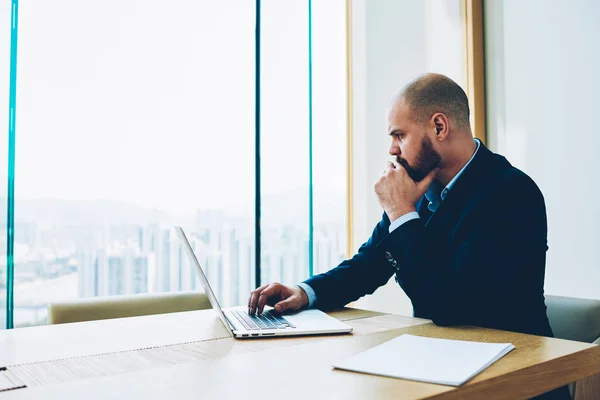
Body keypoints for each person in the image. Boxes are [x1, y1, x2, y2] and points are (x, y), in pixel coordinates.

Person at [248, 73, 569, 399]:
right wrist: (304, 292)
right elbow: (368, 265)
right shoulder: (419, 192)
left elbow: (448, 305)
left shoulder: (510, 193)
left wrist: (401, 212)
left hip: (515, 378)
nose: (392, 149)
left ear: (439, 127)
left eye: (399, 135)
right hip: (443, 366)